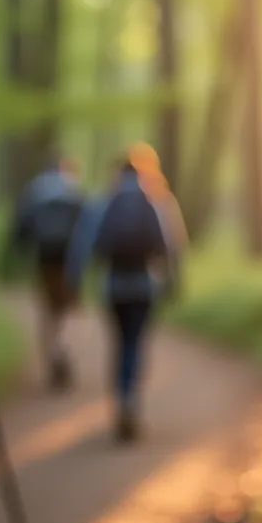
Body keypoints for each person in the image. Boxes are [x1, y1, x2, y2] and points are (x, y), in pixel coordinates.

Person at [65, 144, 186, 443]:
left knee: (119, 344)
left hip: (113, 285)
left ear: (117, 172)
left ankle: (121, 400)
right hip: (145, 285)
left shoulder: (103, 201)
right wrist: (175, 281)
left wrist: (75, 281)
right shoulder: (159, 200)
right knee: (135, 343)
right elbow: (174, 245)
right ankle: (131, 401)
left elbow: (82, 245)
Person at [10, 156, 87, 391]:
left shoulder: (36, 190)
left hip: (44, 257)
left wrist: (18, 253)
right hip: (68, 259)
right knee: (64, 307)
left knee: (47, 308)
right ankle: (61, 349)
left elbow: (21, 225)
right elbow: (87, 225)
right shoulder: (73, 189)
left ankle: (53, 353)